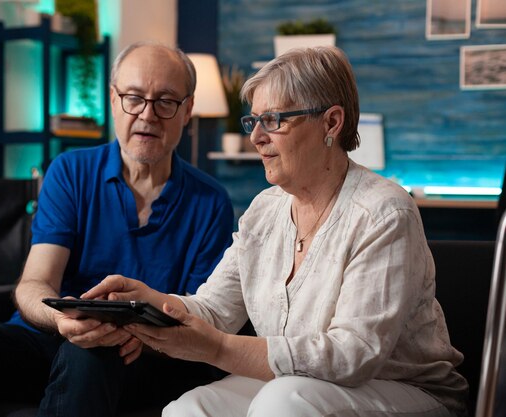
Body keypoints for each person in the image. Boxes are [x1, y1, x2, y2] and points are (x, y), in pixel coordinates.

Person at [83, 46, 469, 417]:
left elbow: (353, 355)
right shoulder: (264, 210)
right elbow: (216, 309)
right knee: (190, 408)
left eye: (274, 120)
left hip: (405, 389)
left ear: (331, 122)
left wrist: (217, 349)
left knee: (284, 402)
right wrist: (150, 303)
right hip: (298, 384)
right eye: (254, 121)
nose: (256, 138)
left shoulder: (383, 211)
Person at [0, 41, 234, 417]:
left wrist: (138, 337)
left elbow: (202, 319)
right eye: (133, 97)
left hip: (140, 360)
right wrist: (62, 321)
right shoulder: (70, 172)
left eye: (165, 101)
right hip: (48, 339)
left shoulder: (210, 201)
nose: (147, 115)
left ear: (188, 109)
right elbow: (34, 283)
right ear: (113, 100)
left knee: (93, 351)